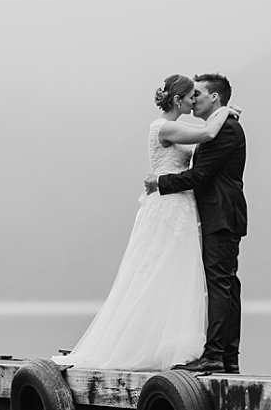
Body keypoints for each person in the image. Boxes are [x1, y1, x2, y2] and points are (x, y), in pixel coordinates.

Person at [54, 74, 233, 372]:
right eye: (190, 96)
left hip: (179, 203)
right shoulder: (165, 127)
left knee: (177, 273)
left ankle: (170, 346)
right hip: (168, 205)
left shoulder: (174, 126)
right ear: (177, 100)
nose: (193, 101)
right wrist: (225, 111)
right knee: (159, 271)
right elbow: (208, 134)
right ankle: (143, 346)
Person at [143, 73, 246, 374]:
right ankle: (226, 356)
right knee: (226, 283)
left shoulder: (225, 129)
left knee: (221, 283)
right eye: (190, 94)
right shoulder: (212, 128)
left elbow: (201, 176)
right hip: (214, 214)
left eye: (198, 93)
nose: (193, 99)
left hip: (221, 214)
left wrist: (161, 182)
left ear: (215, 97)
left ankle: (216, 355)